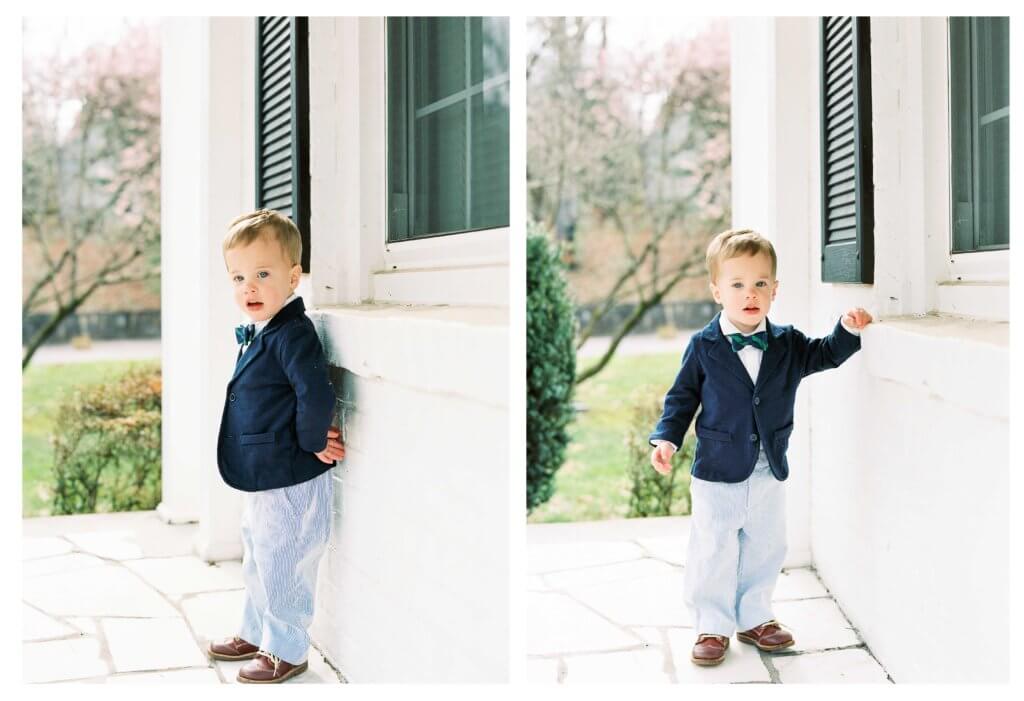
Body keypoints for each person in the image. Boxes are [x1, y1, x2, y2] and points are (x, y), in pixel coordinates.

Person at [649, 228, 872, 667]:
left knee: (765, 544)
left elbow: (825, 354)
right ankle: (712, 624)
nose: (749, 293)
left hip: (769, 469)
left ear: (774, 290)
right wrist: (667, 437)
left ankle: (755, 616)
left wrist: (846, 329)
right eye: (737, 285)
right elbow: (681, 398)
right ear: (717, 291)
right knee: (714, 546)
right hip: (717, 469)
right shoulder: (703, 346)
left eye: (759, 284)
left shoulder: (788, 342)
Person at [206, 208, 345, 683]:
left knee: (283, 559)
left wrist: (312, 443)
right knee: (258, 551)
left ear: (292, 277)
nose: (249, 287)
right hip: (264, 471)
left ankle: (285, 648)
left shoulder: (292, 333)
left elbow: (315, 392)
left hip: (290, 471)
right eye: (238, 276)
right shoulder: (264, 330)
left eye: (262, 275)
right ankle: (254, 628)